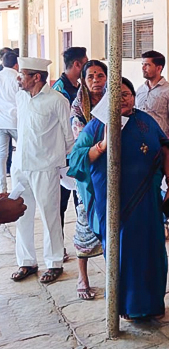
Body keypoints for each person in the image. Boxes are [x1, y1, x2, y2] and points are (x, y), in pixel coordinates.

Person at [68, 77, 169, 320]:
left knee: (152, 252)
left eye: (127, 93)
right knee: (124, 254)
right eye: (117, 94)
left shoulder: (145, 121)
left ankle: (152, 305)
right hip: (117, 207)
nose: (124, 99)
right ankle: (127, 307)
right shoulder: (97, 125)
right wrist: (103, 145)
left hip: (148, 204)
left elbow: (165, 150)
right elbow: (76, 160)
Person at [10, 57, 74, 284]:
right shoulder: (21, 97)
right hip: (20, 165)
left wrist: (61, 163)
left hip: (45, 166)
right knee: (21, 214)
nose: (18, 78)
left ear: (36, 77)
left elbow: (69, 137)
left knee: (49, 216)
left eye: (22, 74)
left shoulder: (57, 100)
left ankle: (54, 262)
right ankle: (27, 261)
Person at [69, 60, 108, 300]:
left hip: (112, 169)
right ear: (82, 79)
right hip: (88, 172)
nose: (96, 80)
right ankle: (82, 277)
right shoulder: (78, 108)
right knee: (85, 222)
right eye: (91, 76)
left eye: (100, 75)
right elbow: (82, 142)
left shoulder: (113, 100)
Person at [135, 50, 169, 238]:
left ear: (159, 67)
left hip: (160, 148)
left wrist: (166, 148)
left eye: (147, 64)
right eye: (142, 64)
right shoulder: (139, 90)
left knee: (163, 185)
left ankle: (163, 223)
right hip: (140, 149)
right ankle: (145, 222)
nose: (143, 68)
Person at [52, 46, 88, 263]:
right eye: (85, 63)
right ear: (77, 65)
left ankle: (83, 244)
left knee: (80, 201)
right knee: (60, 204)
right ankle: (58, 247)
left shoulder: (79, 87)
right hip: (63, 155)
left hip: (78, 154)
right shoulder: (59, 90)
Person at [0, 51, 19, 194]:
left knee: (2, 155)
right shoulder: (18, 78)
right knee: (24, 151)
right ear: (17, 64)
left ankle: (3, 188)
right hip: (16, 121)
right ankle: (21, 184)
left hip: (1, 122)